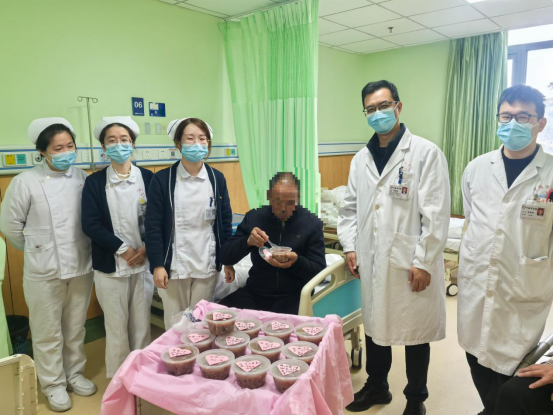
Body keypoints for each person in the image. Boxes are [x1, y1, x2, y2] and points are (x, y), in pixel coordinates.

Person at [338, 80, 450, 415]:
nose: (378, 114)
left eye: (383, 106)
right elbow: (349, 208)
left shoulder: (425, 153)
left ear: (398, 107)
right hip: (371, 258)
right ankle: (377, 387)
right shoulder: (360, 159)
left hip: (410, 261)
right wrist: (350, 247)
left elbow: (436, 214)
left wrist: (425, 262)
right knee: (376, 327)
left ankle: (416, 400)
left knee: (415, 333)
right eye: (370, 109)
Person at [458, 84, 552, 415]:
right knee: (475, 355)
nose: (513, 123)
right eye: (506, 116)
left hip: (522, 294)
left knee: (511, 370)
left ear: (540, 123)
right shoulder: (476, 168)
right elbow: (473, 220)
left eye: (523, 117)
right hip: (476, 286)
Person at [0, 118, 96, 412]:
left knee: (75, 326)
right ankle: (53, 384)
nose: (66, 152)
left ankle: (75, 374)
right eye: (58, 148)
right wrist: (38, 248)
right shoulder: (25, 182)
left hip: (81, 264)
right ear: (42, 151)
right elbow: (10, 226)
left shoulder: (84, 178)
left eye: (70, 146)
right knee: (47, 331)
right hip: (44, 269)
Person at [81, 116, 154, 378]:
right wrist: (123, 249)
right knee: (116, 327)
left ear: (133, 144)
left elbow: (158, 219)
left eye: (124, 139)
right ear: (103, 147)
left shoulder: (148, 178)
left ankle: (142, 376)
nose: (119, 145)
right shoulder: (94, 182)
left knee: (141, 324)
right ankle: (119, 380)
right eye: (112, 141)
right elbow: (90, 224)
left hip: (143, 263)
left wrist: (146, 248)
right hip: (110, 266)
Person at [145, 117, 233, 330]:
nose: (197, 144)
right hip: (175, 265)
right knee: (175, 326)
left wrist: (228, 260)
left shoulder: (216, 178)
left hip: (207, 261)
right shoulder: (163, 180)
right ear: (178, 143)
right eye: (190, 138)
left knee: (201, 324)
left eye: (202, 138)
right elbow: (153, 226)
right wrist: (157, 265)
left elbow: (225, 221)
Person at [219, 172, 326, 314]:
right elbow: (225, 256)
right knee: (218, 314)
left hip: (294, 296)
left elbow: (319, 272)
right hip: (256, 293)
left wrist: (296, 262)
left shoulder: (311, 224)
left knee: (281, 324)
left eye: (290, 202)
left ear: (298, 197)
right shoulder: (254, 218)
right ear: (269, 195)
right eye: (277, 201)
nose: (283, 208)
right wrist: (248, 242)